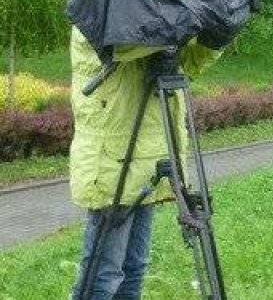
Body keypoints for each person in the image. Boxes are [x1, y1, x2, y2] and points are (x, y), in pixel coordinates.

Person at [69, 27, 219, 300]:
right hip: (114, 163)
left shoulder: (157, 14)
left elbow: (191, 62)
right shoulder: (97, 9)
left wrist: (218, 32)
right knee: (103, 275)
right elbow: (124, 44)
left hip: (152, 158)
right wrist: (181, 30)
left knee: (135, 268)